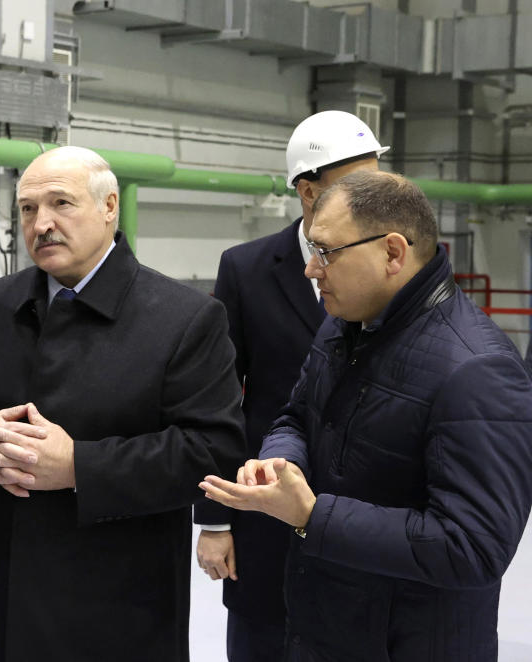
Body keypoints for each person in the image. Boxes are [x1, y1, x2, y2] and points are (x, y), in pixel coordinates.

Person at [200, 171, 532, 661]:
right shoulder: (342, 327)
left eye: (328, 252)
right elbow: (295, 415)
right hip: (324, 624)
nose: (312, 270)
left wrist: (313, 515)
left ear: (393, 253)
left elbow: (473, 547)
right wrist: (281, 462)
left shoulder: (477, 369)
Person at [0, 145, 246, 662]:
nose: (42, 224)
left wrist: (80, 466)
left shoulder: (184, 319)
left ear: (109, 208)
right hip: (0, 596)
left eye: (62, 203)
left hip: (118, 604)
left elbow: (214, 451)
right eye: (29, 209)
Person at [193, 110, 386, 661]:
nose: (375, 198)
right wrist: (213, 519)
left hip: (365, 517)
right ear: (308, 191)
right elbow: (219, 398)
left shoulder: (393, 265)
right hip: (268, 514)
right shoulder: (248, 270)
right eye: (358, 186)